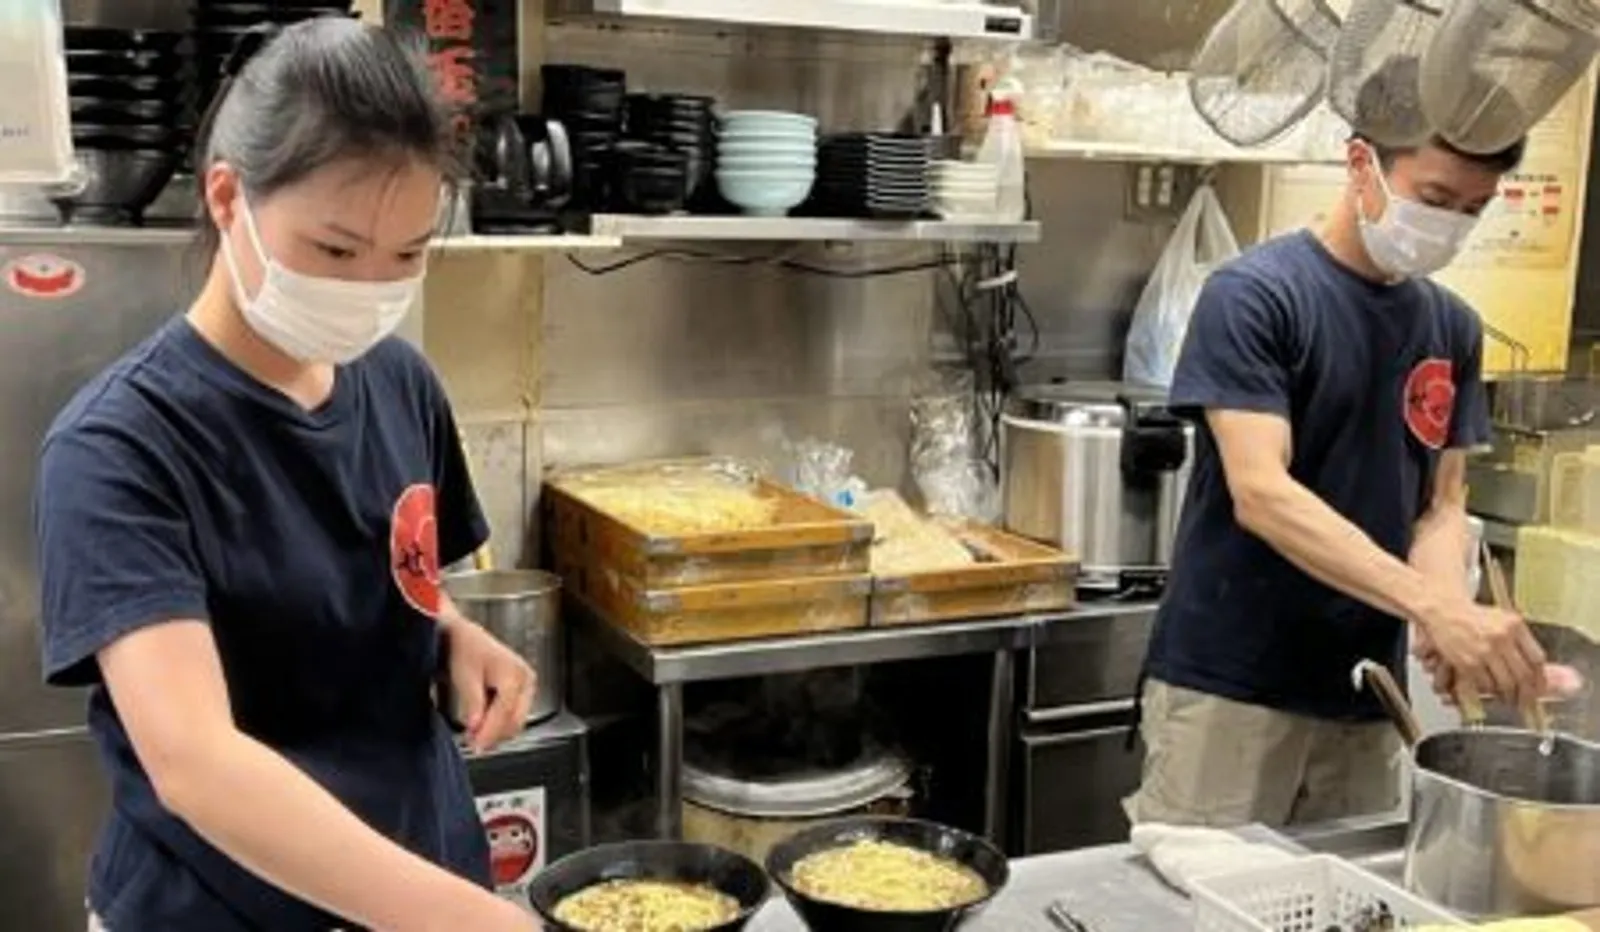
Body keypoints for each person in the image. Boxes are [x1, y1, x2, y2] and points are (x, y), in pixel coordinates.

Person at [34, 19, 540, 932]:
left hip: (420, 876)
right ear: (229, 200)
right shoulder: (118, 448)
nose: (372, 288)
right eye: (337, 252)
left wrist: (455, 634)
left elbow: (395, 578)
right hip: (223, 909)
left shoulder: (400, 381)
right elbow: (196, 765)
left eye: (408, 255)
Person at [1124, 79, 1557, 828]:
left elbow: (1441, 506)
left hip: (1364, 693)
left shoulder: (1452, 327)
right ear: (1362, 164)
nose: (1449, 224)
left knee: (1349, 904)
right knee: (1204, 902)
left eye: (1472, 209)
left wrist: (1450, 616)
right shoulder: (1256, 295)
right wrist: (1429, 604)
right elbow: (1262, 492)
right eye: (1435, 196)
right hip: (1234, 685)